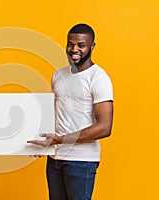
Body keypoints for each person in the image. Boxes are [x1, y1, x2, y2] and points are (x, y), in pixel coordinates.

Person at [27, 23, 114, 200]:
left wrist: (61, 139)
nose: (74, 49)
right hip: (55, 159)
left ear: (92, 46)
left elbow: (105, 127)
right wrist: (39, 140)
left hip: (82, 161)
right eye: (70, 44)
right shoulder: (58, 75)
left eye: (81, 45)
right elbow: (54, 114)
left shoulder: (98, 78)